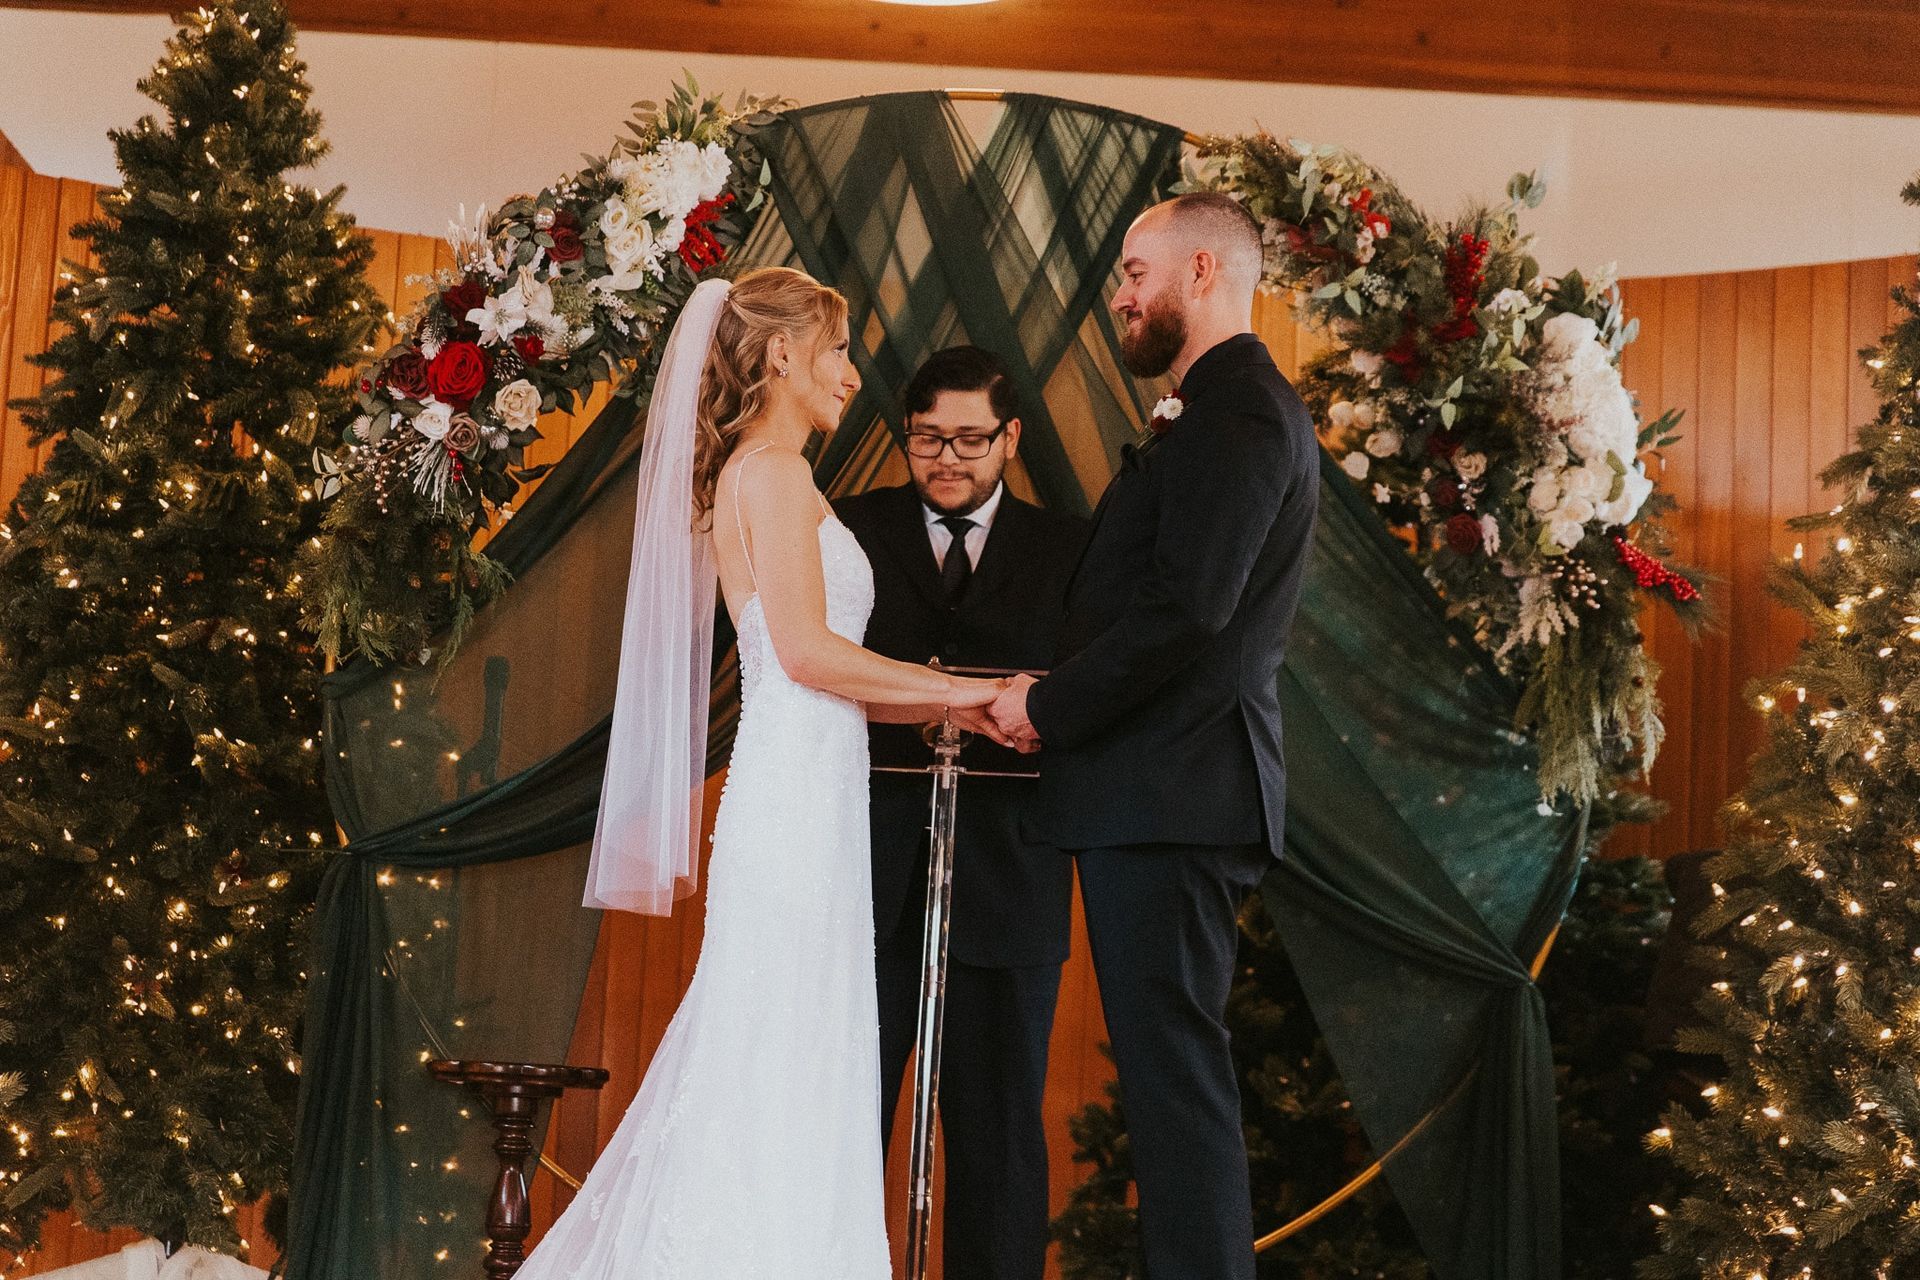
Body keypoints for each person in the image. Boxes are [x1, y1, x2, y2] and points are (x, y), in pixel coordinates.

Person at [515, 267, 1008, 1279]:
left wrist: (976, 705)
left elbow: (826, 674)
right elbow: (807, 654)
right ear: (781, 355)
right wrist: (968, 689)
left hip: (808, 794)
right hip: (791, 808)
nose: (849, 373)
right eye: (835, 350)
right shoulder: (773, 473)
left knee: (788, 1059)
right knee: (780, 1059)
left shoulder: (768, 472)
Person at [989, 192, 1321, 1279]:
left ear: (1206, 273)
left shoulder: (1239, 413)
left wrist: (1048, 705)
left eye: (1138, 272)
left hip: (1179, 793)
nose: (1120, 296)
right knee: (1168, 1073)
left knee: (1176, 1080)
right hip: (1156, 790)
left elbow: (1189, 609)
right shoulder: (1213, 407)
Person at [834, 346, 1087, 1280]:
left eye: (970, 439)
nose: (947, 458)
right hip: (868, 873)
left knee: (998, 1132)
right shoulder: (849, 529)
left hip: (1008, 874)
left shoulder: (1070, 547)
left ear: (1011, 438)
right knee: (843, 1117)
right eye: (927, 439)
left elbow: (1087, 692)